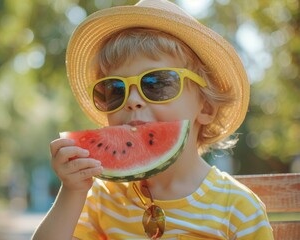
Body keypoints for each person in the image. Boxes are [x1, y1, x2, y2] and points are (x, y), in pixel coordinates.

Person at [32, 0, 273, 239]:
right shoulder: (101, 199)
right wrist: (72, 192)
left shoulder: (239, 210)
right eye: (115, 89)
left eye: (156, 83)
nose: (132, 100)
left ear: (206, 107)